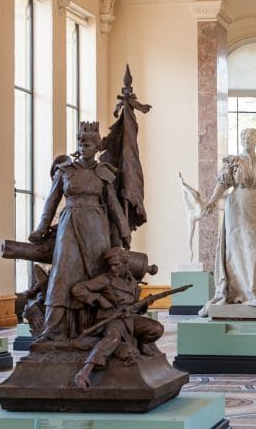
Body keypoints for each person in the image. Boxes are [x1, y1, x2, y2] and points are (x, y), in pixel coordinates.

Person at [30, 121, 131, 341]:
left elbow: (113, 205)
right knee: (62, 274)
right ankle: (54, 329)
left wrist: (124, 232)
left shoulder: (103, 173)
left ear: (97, 148)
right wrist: (41, 228)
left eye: (88, 144)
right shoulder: (65, 171)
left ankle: (98, 328)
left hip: (96, 227)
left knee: (96, 273)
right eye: (80, 143)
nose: (83, 147)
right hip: (70, 224)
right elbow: (51, 202)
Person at [199, 128, 256, 315]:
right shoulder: (234, 162)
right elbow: (223, 183)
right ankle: (238, 293)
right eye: (243, 136)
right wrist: (212, 200)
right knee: (237, 250)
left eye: (250, 136)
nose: (246, 139)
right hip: (237, 207)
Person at [70, 248, 164, 390]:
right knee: (112, 338)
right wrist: (98, 298)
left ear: (126, 264)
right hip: (112, 318)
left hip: (130, 318)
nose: (113, 268)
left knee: (156, 329)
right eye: (111, 265)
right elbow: (78, 289)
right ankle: (84, 372)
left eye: (116, 265)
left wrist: (144, 304)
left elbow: (134, 306)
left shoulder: (132, 281)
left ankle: (143, 344)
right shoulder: (105, 279)